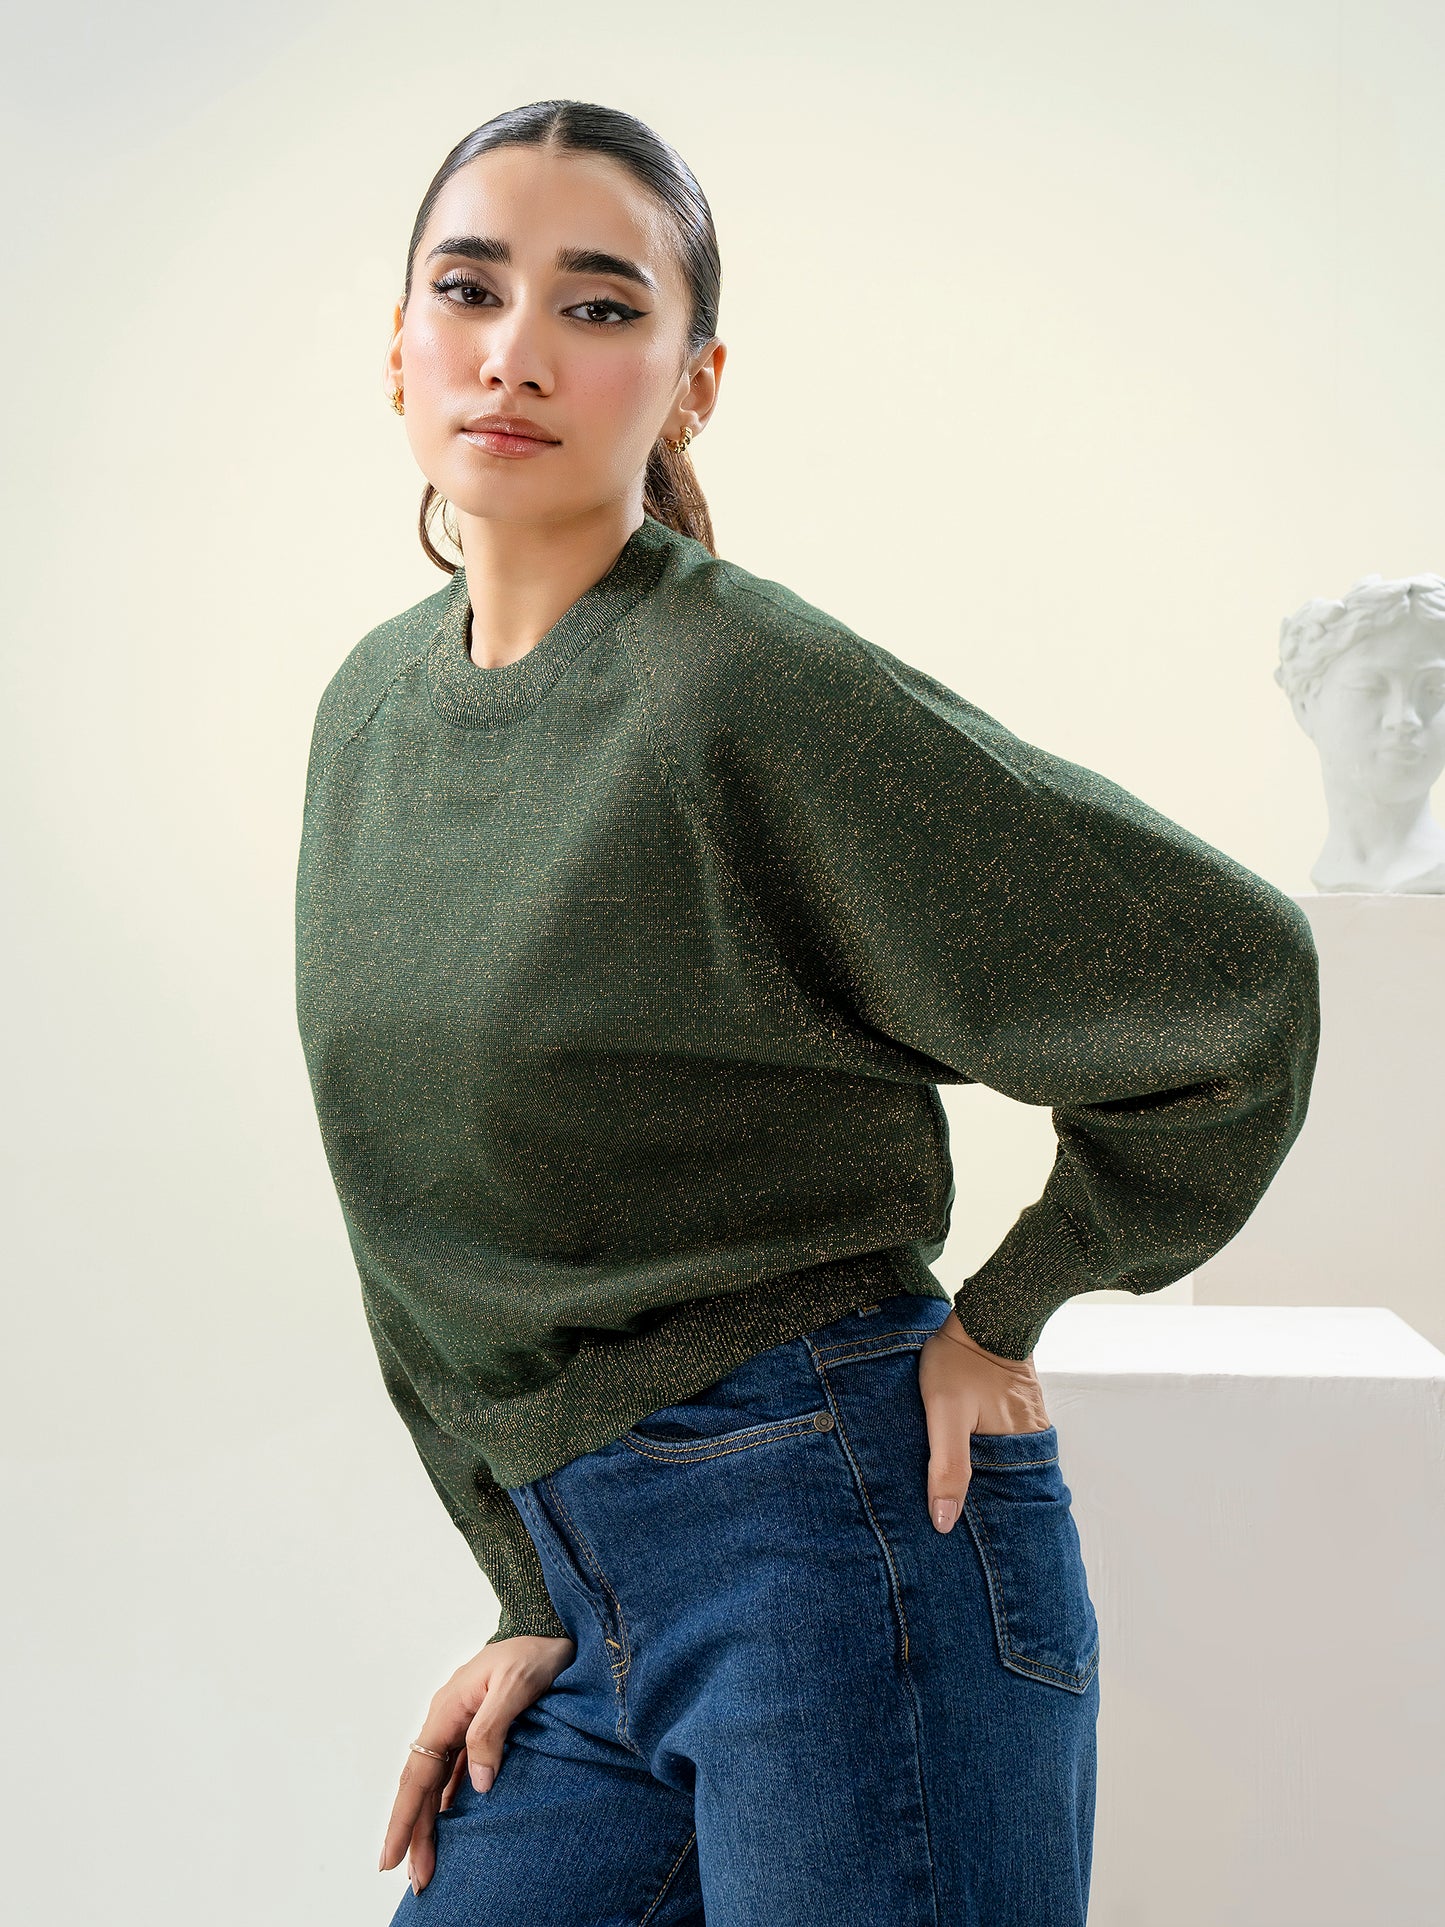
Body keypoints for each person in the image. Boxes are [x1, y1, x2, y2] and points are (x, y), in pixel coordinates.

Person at [293, 99, 1321, 1926]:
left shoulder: (736, 686)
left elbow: (1226, 979)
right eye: (469, 287)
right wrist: (531, 1589)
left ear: (691, 384)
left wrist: (1009, 1308)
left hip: (845, 1540)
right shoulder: (370, 714)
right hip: (596, 1593)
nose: (516, 350)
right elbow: (413, 1206)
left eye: (599, 307)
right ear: (396, 345)